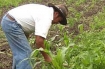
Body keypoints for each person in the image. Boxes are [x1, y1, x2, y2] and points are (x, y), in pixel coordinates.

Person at [1, 3, 68, 69]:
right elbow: (39, 41)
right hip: (12, 23)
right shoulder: (47, 17)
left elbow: (26, 22)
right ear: (56, 14)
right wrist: (47, 57)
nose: (57, 23)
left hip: (10, 21)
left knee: (21, 52)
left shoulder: (45, 11)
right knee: (27, 55)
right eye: (60, 20)